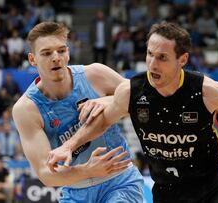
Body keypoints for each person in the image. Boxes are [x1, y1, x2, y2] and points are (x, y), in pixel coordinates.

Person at [48, 22, 218, 203]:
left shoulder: (207, 91)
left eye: (162, 57)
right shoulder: (132, 91)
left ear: (182, 59)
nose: (152, 63)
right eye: (149, 54)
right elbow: (101, 122)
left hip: (211, 187)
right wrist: (69, 147)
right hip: (167, 190)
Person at [11, 22, 143, 202]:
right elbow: (45, 174)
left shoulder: (95, 74)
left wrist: (105, 100)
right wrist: (88, 170)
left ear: (68, 52)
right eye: (47, 53)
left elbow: (141, 99)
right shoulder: (26, 108)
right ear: (32, 59)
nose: (56, 57)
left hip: (119, 181)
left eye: (61, 50)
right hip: (75, 191)